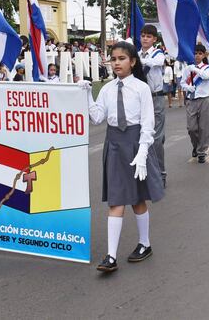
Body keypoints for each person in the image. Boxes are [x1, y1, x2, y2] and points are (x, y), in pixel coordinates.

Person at [81, 41, 164, 273]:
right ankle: (110, 256)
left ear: (133, 61)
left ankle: (145, 243)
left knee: (138, 199)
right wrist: (87, 94)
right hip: (115, 144)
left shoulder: (141, 88)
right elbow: (97, 117)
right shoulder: (107, 89)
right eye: (113, 59)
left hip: (137, 144)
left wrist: (142, 152)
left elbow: (149, 123)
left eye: (122, 58)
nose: (116, 63)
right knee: (116, 199)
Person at [138, 24, 168, 186]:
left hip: (155, 98)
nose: (145, 39)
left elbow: (155, 63)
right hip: (140, 100)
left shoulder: (158, 54)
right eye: (143, 36)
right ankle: (143, 170)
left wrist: (136, 60)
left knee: (156, 139)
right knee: (141, 136)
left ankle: (160, 173)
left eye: (148, 36)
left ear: (154, 39)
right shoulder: (136, 54)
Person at [180, 44, 209, 163]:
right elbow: (182, 83)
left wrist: (194, 69)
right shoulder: (188, 68)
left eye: (200, 53)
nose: (197, 56)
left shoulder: (207, 67)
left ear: (204, 55)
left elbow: (206, 76)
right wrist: (188, 88)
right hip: (191, 99)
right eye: (195, 53)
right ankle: (196, 145)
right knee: (191, 128)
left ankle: (202, 151)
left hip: (204, 99)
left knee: (204, 127)